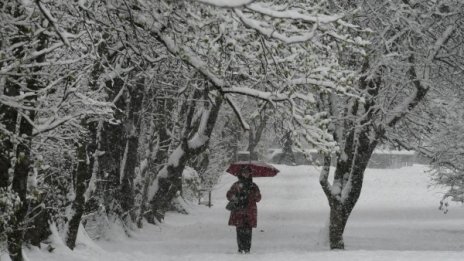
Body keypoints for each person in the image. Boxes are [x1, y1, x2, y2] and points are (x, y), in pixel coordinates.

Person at [226, 166, 261, 254]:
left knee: (248, 231)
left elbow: (258, 198)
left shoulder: (253, 186)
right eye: (244, 172)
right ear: (241, 173)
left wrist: (255, 194)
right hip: (239, 210)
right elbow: (229, 194)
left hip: (249, 211)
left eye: (247, 172)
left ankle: (247, 248)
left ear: (250, 174)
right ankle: (241, 248)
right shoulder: (236, 185)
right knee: (240, 230)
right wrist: (234, 197)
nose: (246, 174)